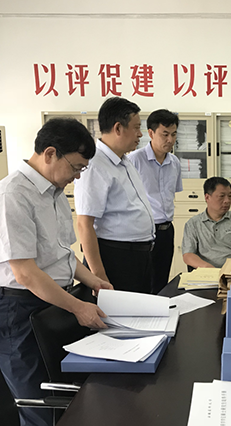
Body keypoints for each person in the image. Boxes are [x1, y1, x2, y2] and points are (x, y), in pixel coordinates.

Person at [0, 118, 112, 426]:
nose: (77, 177)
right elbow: (25, 273)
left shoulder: (53, 193)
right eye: (76, 167)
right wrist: (78, 308)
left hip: (51, 303)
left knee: (64, 398)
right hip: (17, 312)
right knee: (39, 407)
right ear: (50, 153)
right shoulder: (11, 196)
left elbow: (61, 255)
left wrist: (94, 280)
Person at [75, 97, 155, 293]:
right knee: (117, 311)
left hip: (138, 257)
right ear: (118, 128)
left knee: (139, 308)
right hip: (115, 258)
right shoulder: (95, 165)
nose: (140, 134)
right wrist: (98, 276)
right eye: (136, 128)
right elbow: (84, 224)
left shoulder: (124, 161)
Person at [129, 109, 182, 294]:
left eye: (173, 134)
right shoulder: (134, 161)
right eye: (165, 134)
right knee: (143, 283)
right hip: (143, 232)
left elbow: (172, 194)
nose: (170, 139)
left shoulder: (175, 163)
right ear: (151, 133)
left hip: (166, 231)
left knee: (161, 282)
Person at [182, 177, 231, 269]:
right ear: (207, 197)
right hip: (206, 271)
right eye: (222, 196)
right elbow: (188, 255)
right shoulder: (193, 224)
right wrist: (209, 268)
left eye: (229, 196)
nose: (227, 201)